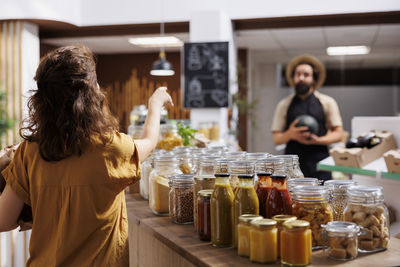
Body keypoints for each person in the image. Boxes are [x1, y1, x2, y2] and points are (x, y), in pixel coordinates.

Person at [0, 45, 173, 266]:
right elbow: (149, 143)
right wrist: (155, 103)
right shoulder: (110, 148)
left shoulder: (30, 151)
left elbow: (3, 220)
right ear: (91, 95)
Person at [271, 54, 343, 181]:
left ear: (314, 79)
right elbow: (277, 139)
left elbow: (338, 134)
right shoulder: (284, 105)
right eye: (298, 74)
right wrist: (290, 134)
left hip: (320, 164)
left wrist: (318, 140)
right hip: (292, 167)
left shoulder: (327, 102)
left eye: (306, 75)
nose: (301, 78)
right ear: (293, 78)